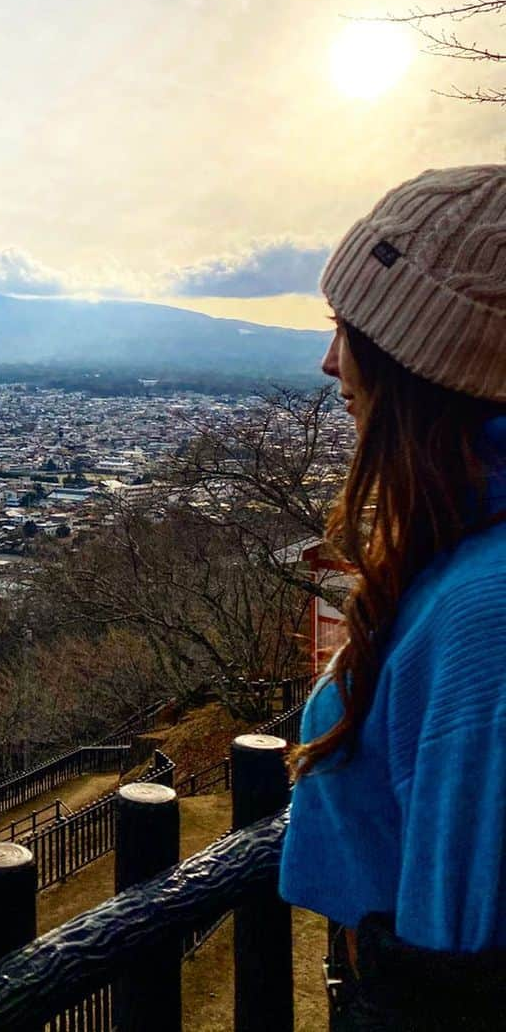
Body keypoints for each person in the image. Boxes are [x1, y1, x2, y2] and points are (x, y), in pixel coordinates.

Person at [278, 164, 506, 1030]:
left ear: (425, 358)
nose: (330, 359)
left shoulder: (483, 618)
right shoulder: (472, 554)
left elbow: (458, 981)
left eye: (352, 328)